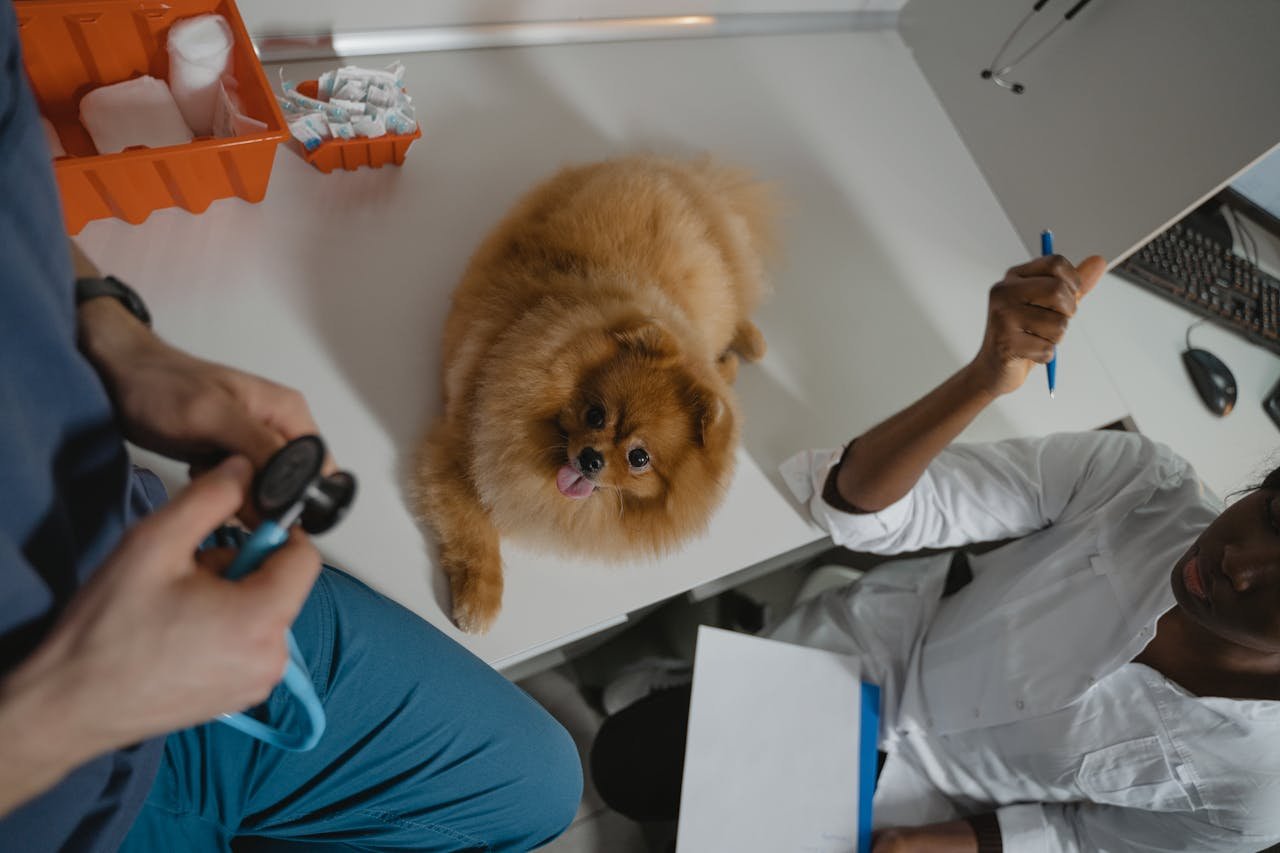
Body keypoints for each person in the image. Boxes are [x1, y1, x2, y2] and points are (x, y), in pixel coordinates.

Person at [0, 4, 581, 850]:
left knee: (531, 784)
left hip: (129, 561)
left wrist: (115, 335)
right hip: (48, 787)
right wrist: (75, 705)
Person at [590, 252, 1280, 852]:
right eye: (1275, 515)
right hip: (876, 656)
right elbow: (860, 507)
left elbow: (1088, 838)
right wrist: (986, 374)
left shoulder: (1257, 788)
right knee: (624, 762)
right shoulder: (1143, 485)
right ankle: (692, 670)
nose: (1238, 561)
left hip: (930, 799)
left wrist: (940, 841)